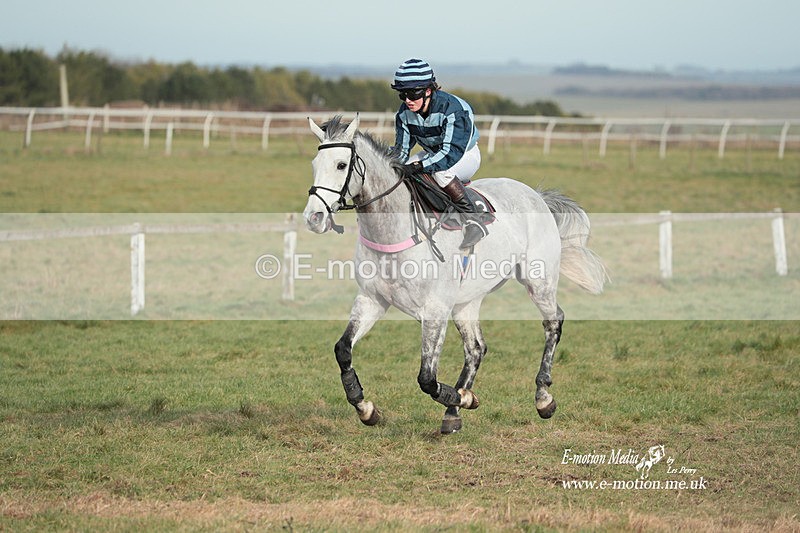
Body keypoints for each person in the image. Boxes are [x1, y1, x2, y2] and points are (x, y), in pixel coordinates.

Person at [391, 58, 488, 249]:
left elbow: (450, 154)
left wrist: (419, 166)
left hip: (464, 156)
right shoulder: (404, 113)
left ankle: (474, 220)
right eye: (402, 95)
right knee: (402, 170)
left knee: (440, 172)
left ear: (428, 90)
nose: (407, 100)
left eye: (412, 93)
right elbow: (401, 151)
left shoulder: (454, 109)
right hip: (433, 154)